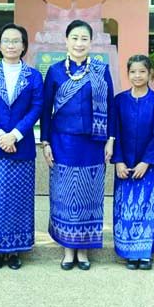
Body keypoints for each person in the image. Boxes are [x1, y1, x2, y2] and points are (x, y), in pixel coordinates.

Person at [41, 19, 114, 270]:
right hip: (62, 142)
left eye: (84, 38)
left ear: (91, 42)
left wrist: (110, 139)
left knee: (89, 195)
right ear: (66, 40)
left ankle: (83, 250)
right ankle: (67, 249)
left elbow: (111, 105)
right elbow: (45, 109)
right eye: (74, 38)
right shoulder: (55, 71)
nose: (79, 43)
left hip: (93, 143)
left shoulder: (101, 70)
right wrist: (45, 141)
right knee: (64, 195)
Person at [0, 23, 43, 270]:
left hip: (21, 148)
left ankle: (15, 250)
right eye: (6, 40)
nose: (11, 45)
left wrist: (14, 135)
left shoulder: (33, 76)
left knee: (19, 200)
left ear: (24, 45)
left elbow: (37, 107)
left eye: (16, 41)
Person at [111, 54, 154, 270]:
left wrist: (146, 161)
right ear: (128, 74)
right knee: (126, 208)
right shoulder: (119, 100)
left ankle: (144, 254)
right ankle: (128, 252)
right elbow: (114, 132)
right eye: (133, 71)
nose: (137, 75)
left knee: (146, 206)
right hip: (124, 164)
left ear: (149, 73)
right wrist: (118, 161)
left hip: (149, 166)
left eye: (142, 71)